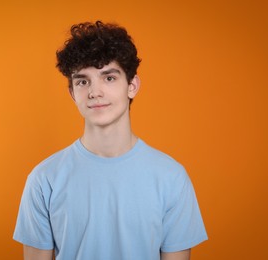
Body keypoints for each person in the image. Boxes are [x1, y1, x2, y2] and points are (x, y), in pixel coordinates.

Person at [13, 21, 207, 260]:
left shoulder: (171, 178)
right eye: (83, 81)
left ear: (132, 86)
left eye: (109, 78)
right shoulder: (43, 180)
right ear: (73, 93)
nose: (95, 92)